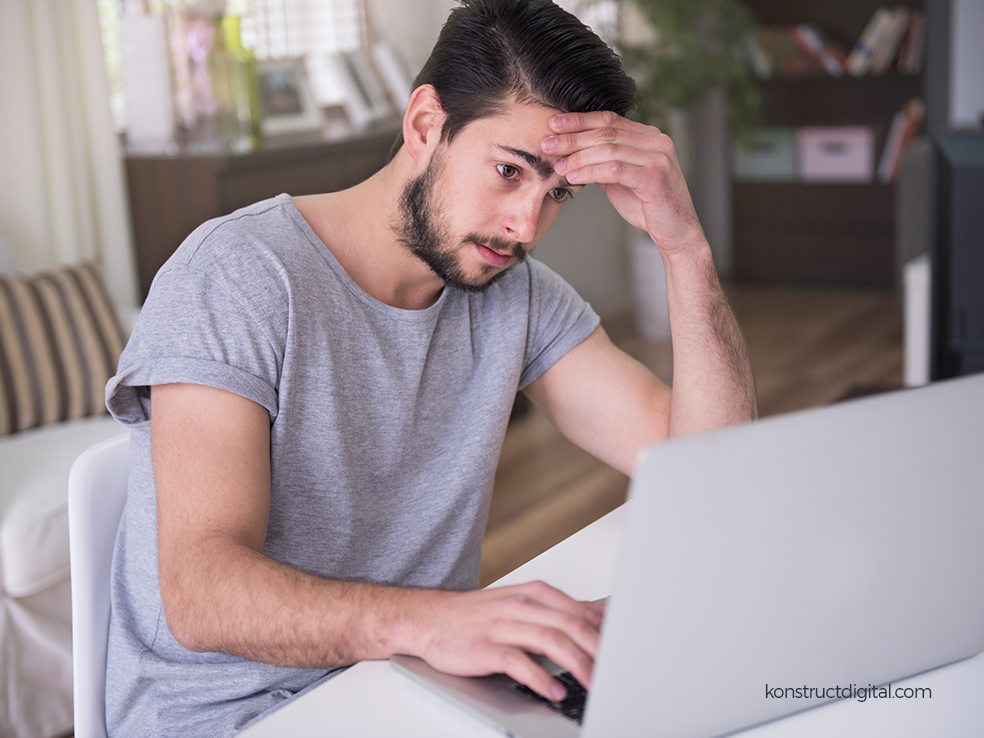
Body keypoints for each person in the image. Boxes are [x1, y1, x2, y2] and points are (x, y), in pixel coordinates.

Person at [104, 0, 757, 734]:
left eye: (558, 194)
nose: (526, 226)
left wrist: (686, 248)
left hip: (410, 689)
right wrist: (438, 624)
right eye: (510, 170)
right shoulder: (238, 277)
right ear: (424, 126)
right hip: (233, 714)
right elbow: (202, 594)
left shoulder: (514, 294)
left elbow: (709, 473)